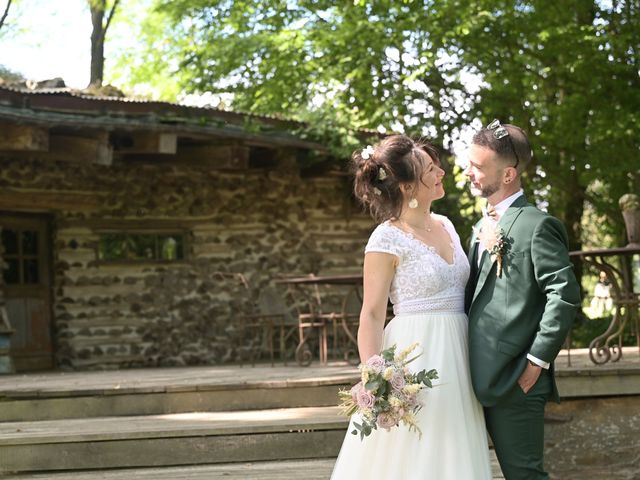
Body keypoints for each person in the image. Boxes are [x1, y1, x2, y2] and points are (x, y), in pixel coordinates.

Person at [331, 135, 492, 479]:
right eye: (431, 170)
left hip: (459, 353)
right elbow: (372, 314)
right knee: (413, 450)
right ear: (406, 186)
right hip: (414, 356)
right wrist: (375, 377)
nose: (442, 173)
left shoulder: (447, 225)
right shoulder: (385, 238)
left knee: (453, 446)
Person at [464, 120, 581, 479]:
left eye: (478, 167)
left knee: (525, 475)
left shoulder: (537, 225)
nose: (469, 173)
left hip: (516, 379)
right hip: (473, 376)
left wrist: (536, 362)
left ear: (509, 173)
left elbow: (564, 294)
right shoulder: (481, 224)